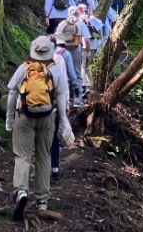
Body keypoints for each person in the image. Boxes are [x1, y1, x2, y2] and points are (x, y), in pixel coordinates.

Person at [5, 36, 74, 220]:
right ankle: (42, 201)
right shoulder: (55, 71)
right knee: (44, 156)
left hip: (24, 117)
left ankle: (21, 191)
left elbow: (12, 92)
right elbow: (60, 96)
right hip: (47, 118)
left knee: (22, 156)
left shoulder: (24, 69)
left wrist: (10, 117)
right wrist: (63, 120)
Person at [49, 34, 78, 180]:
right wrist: (66, 105)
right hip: (53, 104)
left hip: (35, 105)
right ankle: (54, 169)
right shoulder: (59, 58)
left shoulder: (32, 59)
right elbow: (63, 84)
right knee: (53, 138)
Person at [56, 6, 90, 107]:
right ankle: (77, 101)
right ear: (78, 14)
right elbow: (87, 40)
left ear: (68, 14)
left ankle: (62, 100)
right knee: (77, 74)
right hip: (75, 49)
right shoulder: (81, 23)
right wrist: (87, 54)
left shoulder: (62, 24)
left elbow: (56, 38)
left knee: (62, 73)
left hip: (62, 50)